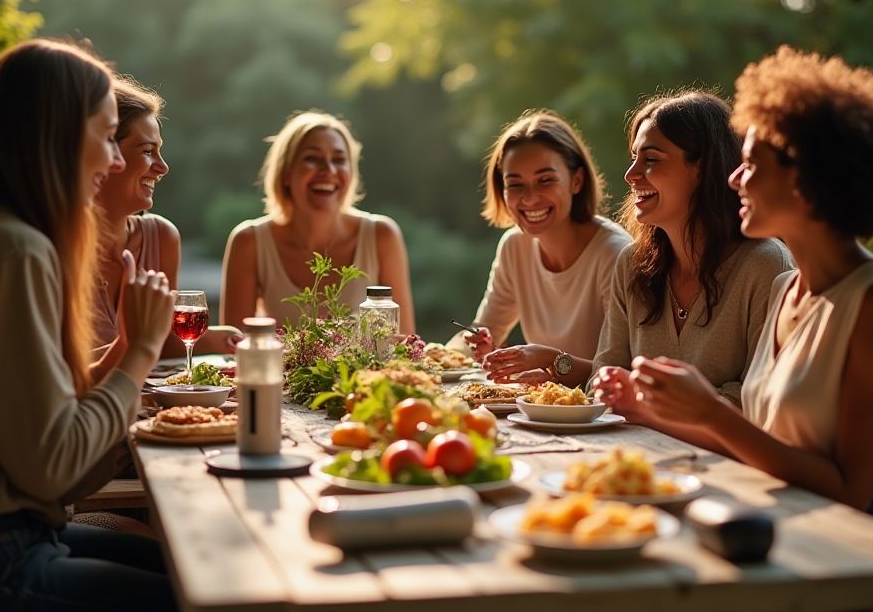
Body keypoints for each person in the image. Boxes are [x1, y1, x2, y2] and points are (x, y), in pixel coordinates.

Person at [607, 47, 873, 528]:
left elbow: (851, 492)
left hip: (861, 543)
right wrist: (648, 412)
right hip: (776, 510)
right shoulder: (787, 288)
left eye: (753, 164)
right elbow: (758, 442)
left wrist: (711, 413)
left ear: (807, 180)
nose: (734, 178)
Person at [0, 39, 177, 610]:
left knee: (188, 570)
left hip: (0, 536)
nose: (112, 161)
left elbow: (48, 451)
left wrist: (124, 348)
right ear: (54, 136)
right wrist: (141, 352)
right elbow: (55, 472)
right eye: (107, 137)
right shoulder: (13, 251)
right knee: (211, 594)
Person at [591, 92, 792, 414]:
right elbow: (604, 371)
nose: (631, 174)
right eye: (633, 158)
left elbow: (760, 395)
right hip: (634, 452)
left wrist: (645, 405)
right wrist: (608, 384)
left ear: (703, 168)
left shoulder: (765, 264)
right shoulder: (631, 264)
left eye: (651, 159)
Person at [459, 110, 631, 388]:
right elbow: (481, 331)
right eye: (515, 184)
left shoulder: (615, 253)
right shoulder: (514, 246)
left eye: (545, 180)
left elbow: (623, 370)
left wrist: (553, 364)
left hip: (606, 417)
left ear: (577, 181)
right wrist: (477, 346)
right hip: (542, 412)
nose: (530, 198)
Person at [221, 110, 415, 332]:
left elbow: (405, 344)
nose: (329, 170)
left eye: (339, 160)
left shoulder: (382, 235)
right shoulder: (249, 241)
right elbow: (233, 348)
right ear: (285, 173)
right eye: (312, 159)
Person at [94, 75, 241, 359]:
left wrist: (226, 339)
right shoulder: (53, 247)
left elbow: (162, 342)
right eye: (148, 151)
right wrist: (132, 344)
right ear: (104, 151)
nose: (163, 168)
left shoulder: (161, 237)